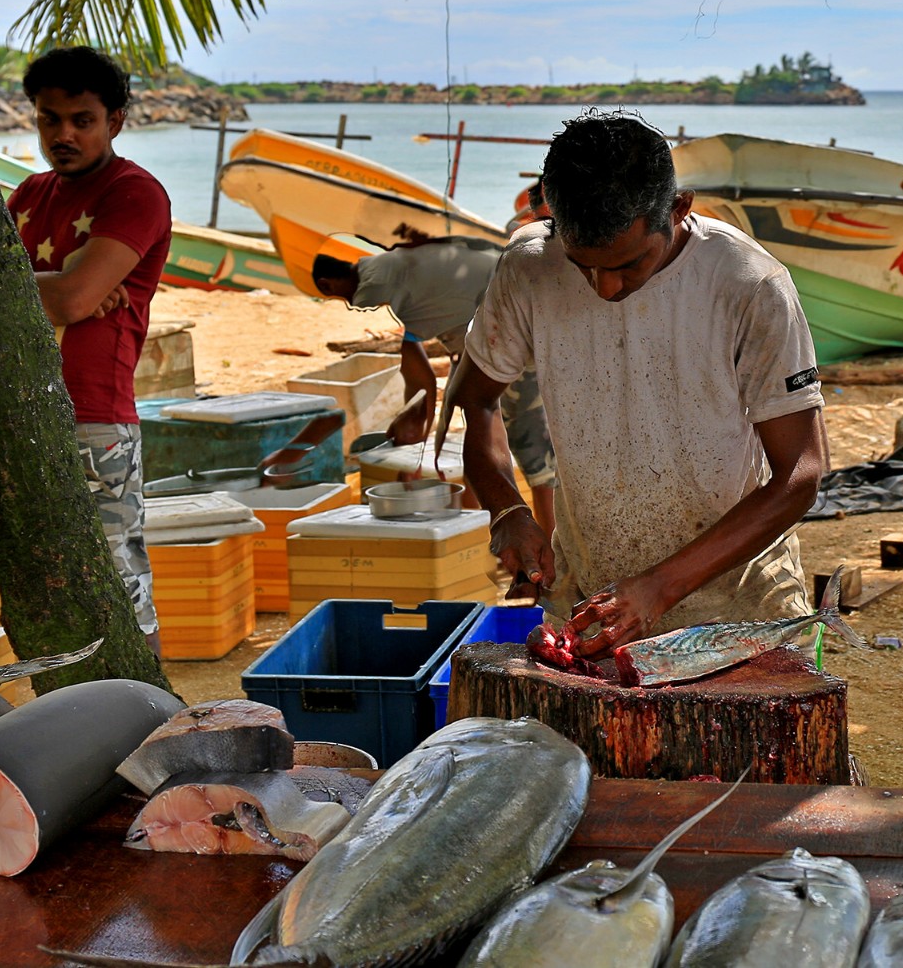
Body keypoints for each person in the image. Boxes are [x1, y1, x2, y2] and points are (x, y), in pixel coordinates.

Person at [454, 111, 827, 652]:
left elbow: (801, 473)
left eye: (628, 265)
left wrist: (660, 587)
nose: (604, 288)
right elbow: (477, 401)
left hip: (738, 605)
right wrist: (506, 508)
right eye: (583, 266)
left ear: (678, 210)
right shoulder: (530, 266)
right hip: (590, 600)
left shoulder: (749, 284)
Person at [7, 47, 171, 650]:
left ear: (116, 122)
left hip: (95, 418)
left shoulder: (134, 193)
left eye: (82, 120)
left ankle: (149, 714)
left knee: (119, 583)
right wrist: (61, 287)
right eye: (50, 119)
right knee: (39, 578)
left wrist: (54, 289)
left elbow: (74, 300)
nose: (64, 134)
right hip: (17, 415)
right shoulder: (26, 195)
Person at [311, 237, 556, 529]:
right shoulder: (389, 265)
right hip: (497, 328)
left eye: (338, 297)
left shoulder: (379, 285)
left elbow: (421, 384)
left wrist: (415, 429)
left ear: (328, 284)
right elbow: (427, 382)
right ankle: (477, 528)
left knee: (533, 455)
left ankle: (556, 552)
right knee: (480, 434)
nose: (353, 307)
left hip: (515, 335)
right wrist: (418, 440)